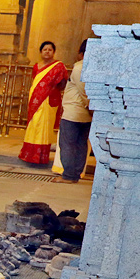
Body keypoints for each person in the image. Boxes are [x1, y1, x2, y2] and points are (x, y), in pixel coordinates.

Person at [19, 40, 68, 166]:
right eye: (45, 49)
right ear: (40, 52)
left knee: (43, 127)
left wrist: (50, 90)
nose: (47, 52)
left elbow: (63, 83)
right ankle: (28, 154)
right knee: (33, 125)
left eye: (50, 50)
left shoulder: (58, 66)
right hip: (35, 101)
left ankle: (40, 157)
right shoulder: (37, 66)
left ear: (54, 52)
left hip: (48, 101)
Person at [55, 39, 92, 182]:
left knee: (68, 144)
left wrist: (90, 107)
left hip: (74, 112)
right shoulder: (93, 68)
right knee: (81, 144)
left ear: (81, 54)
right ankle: (75, 174)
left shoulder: (79, 68)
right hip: (85, 114)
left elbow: (84, 91)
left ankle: (69, 175)